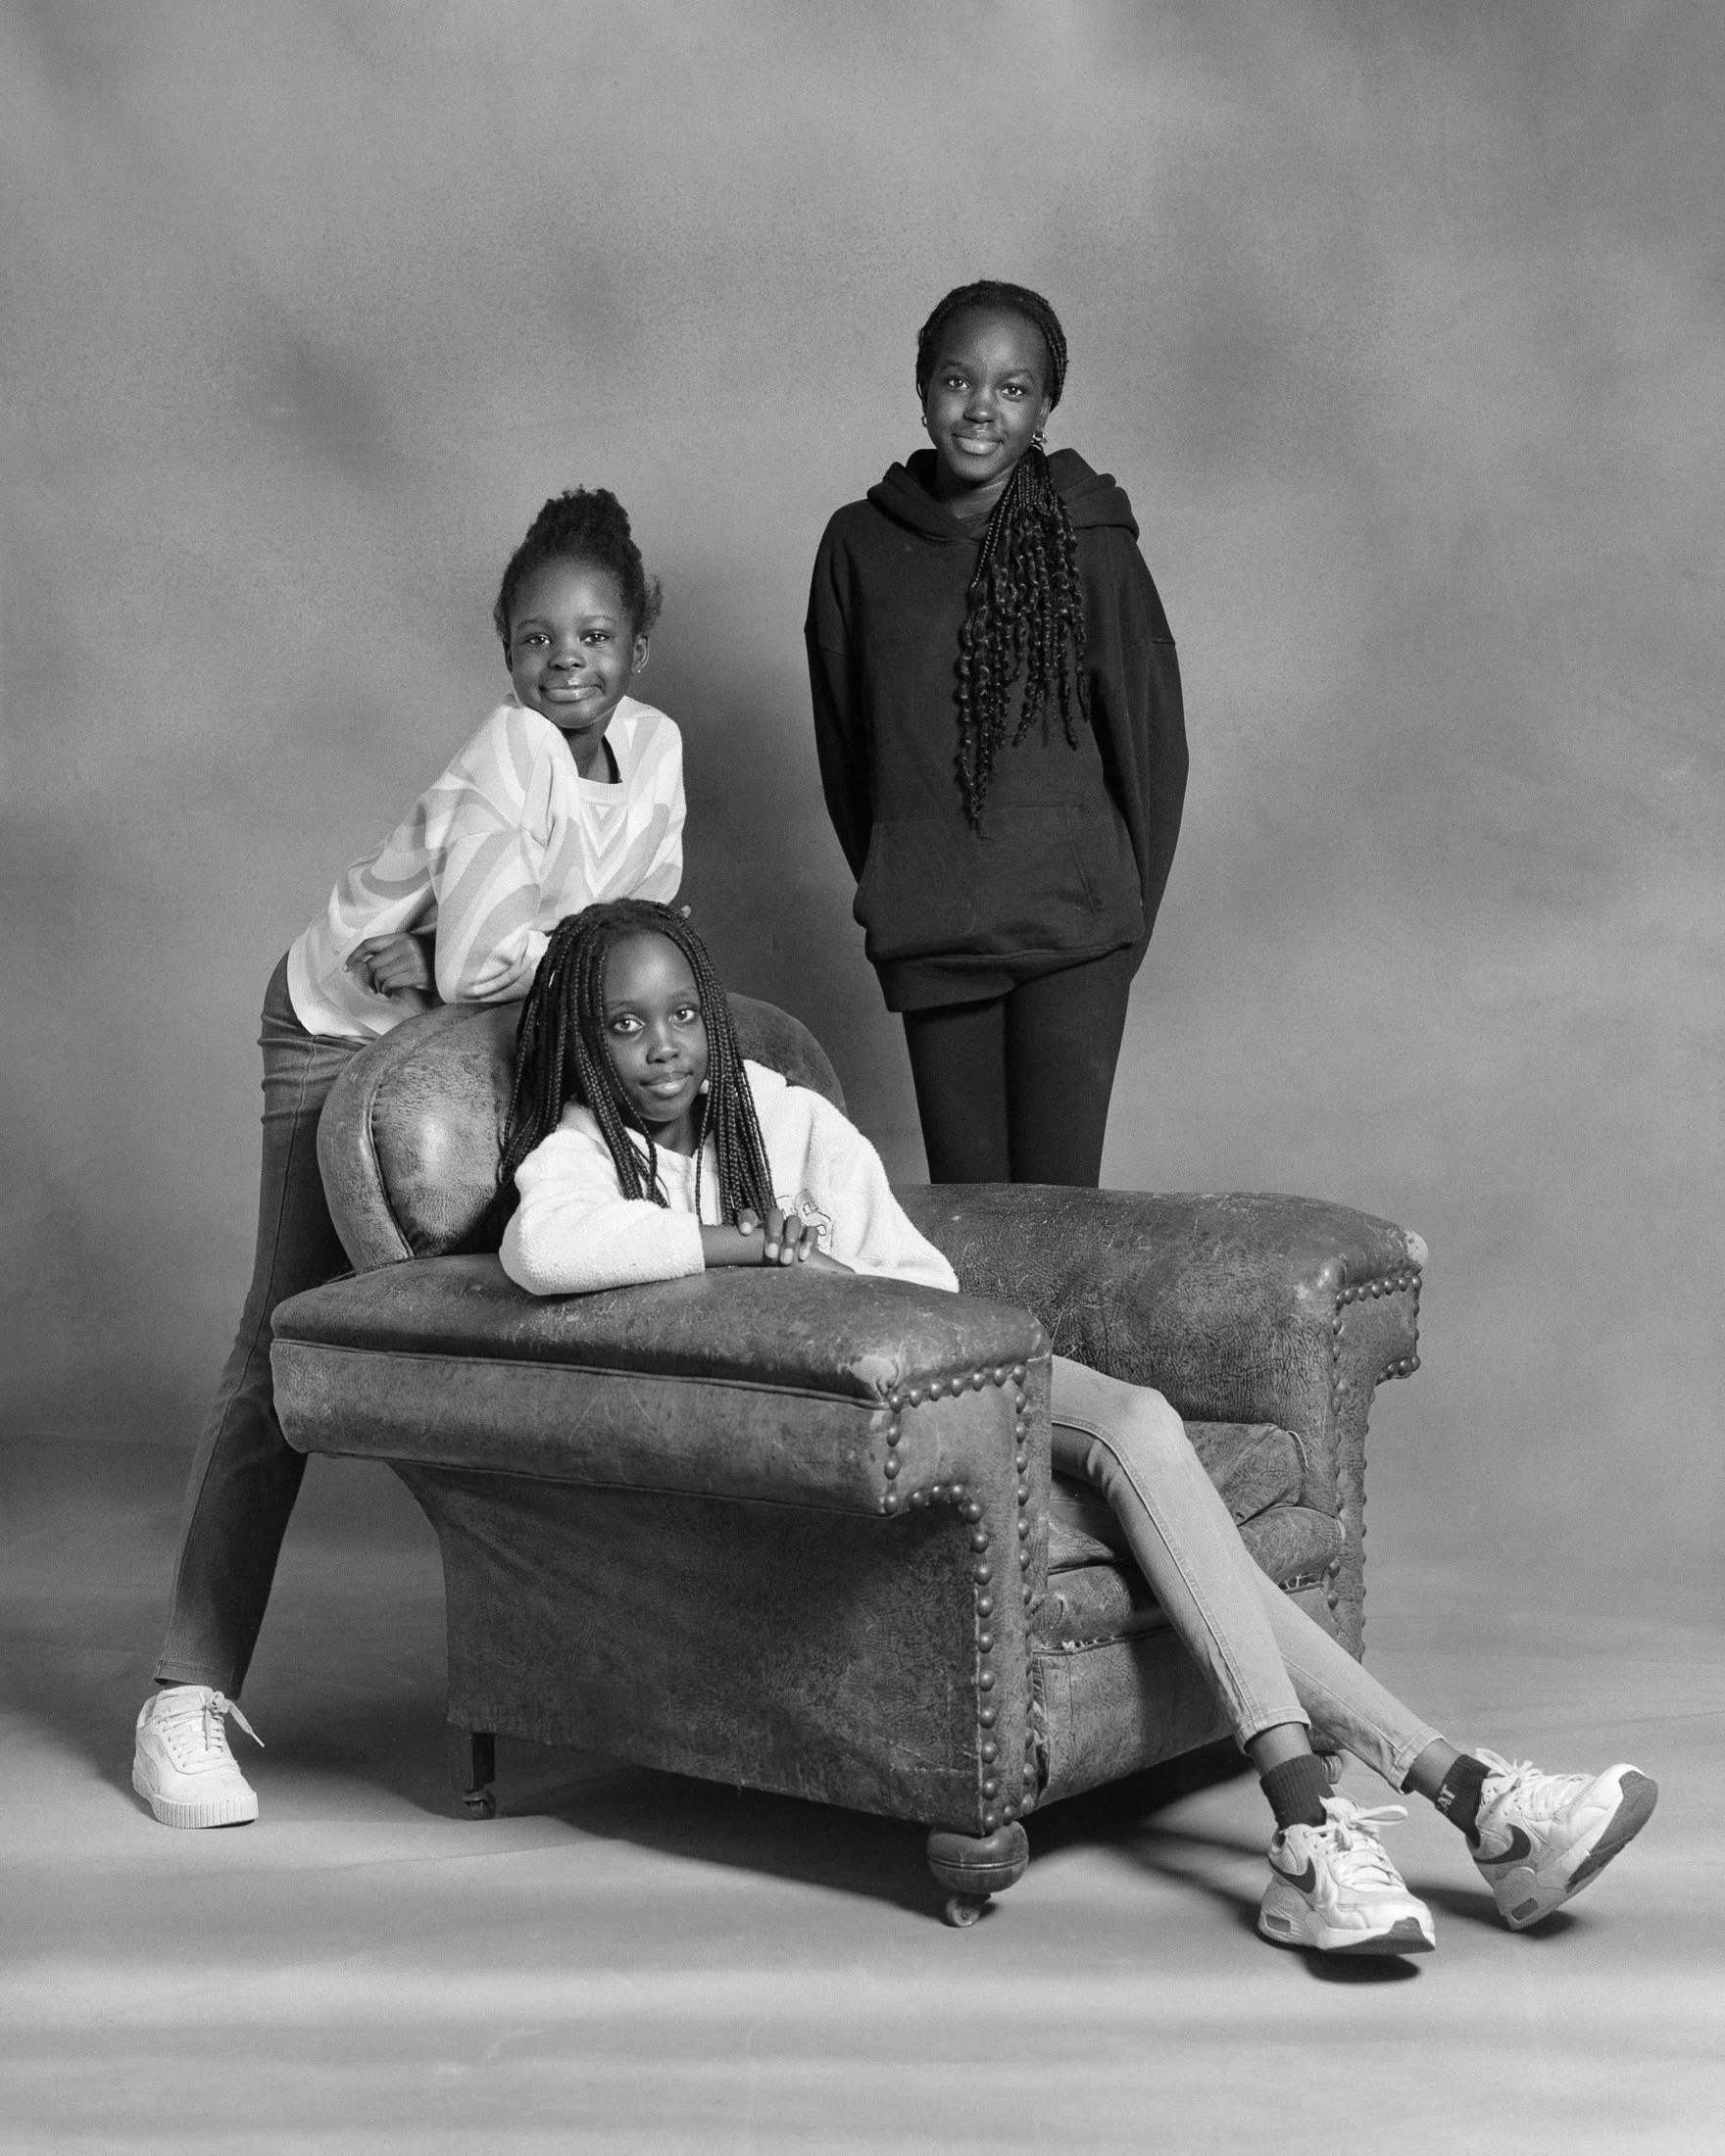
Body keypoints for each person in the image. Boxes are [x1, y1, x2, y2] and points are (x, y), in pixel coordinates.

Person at [495, 900, 1657, 1955]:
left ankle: (1384, 1821)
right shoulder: (582, 1155)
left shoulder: (784, 1120)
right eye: (624, 1025)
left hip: (953, 1378)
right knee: (1151, 1451)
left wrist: (834, 1278)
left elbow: (917, 1276)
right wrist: (746, 1250)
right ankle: (1432, 1805)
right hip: (864, 1429)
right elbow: (545, 1250)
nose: (661, 1048)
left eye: (682, 1014)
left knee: (1140, 1433)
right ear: (580, 1043)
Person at [132, 488, 685, 1830]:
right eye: (536, 639)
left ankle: (594, 1670)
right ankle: (180, 1702)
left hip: (469, 1033)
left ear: (637, 645)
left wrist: (472, 960)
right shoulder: (507, 749)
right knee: (285, 1342)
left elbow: (646, 915)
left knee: (535, 1307)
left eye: (594, 637)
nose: (566, 665)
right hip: (344, 1026)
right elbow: (520, 951)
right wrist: (465, 958)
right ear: (505, 652)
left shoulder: (655, 748)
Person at [806, 279, 1187, 1187]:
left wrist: (1123, 914)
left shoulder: (1094, 545)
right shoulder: (858, 548)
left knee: (1058, 1215)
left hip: (1076, 938)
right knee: (971, 1226)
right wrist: (905, 878)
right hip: (934, 933)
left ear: (1047, 404)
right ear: (923, 387)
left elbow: (1151, 745)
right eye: (958, 381)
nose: (982, 409)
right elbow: (847, 752)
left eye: (1013, 389)